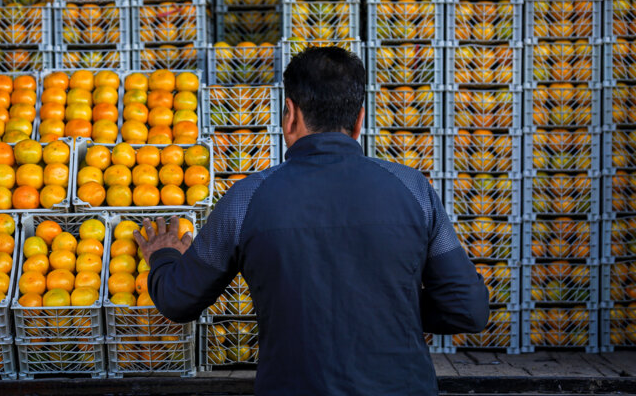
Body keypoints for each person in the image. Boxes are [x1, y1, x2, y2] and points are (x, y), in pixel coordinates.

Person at [135, 46, 490, 395]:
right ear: (359, 120)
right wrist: (389, 302)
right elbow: (469, 310)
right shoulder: (414, 190)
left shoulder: (246, 200)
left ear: (289, 114)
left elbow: (178, 301)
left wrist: (164, 256)